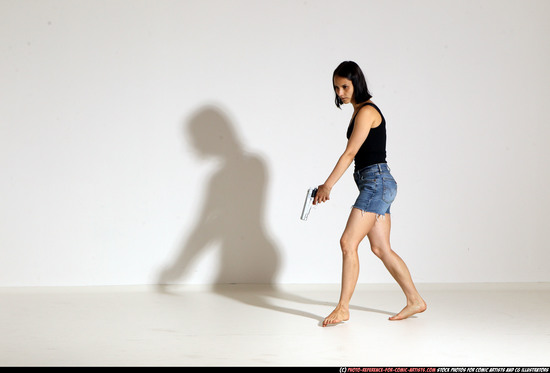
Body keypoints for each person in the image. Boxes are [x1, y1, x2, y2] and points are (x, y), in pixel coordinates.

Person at [314, 61, 427, 327]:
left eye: (345, 86)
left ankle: (343, 308)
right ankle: (415, 300)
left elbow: (350, 153)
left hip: (376, 182)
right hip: (376, 183)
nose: (340, 92)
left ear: (357, 83)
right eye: (336, 87)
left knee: (347, 243)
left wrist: (327, 185)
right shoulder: (357, 112)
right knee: (380, 247)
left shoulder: (366, 112)